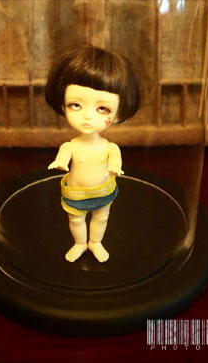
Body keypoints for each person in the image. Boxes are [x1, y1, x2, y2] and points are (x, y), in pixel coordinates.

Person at [45, 44, 140, 263]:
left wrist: (115, 167)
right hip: (76, 193)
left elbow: (115, 160)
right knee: (75, 219)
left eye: (102, 109)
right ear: (62, 105)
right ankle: (80, 243)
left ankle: (95, 242)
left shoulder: (109, 147)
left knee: (102, 217)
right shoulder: (70, 145)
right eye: (76, 105)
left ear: (118, 113)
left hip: (102, 190)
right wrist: (60, 163)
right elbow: (63, 156)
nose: (88, 116)